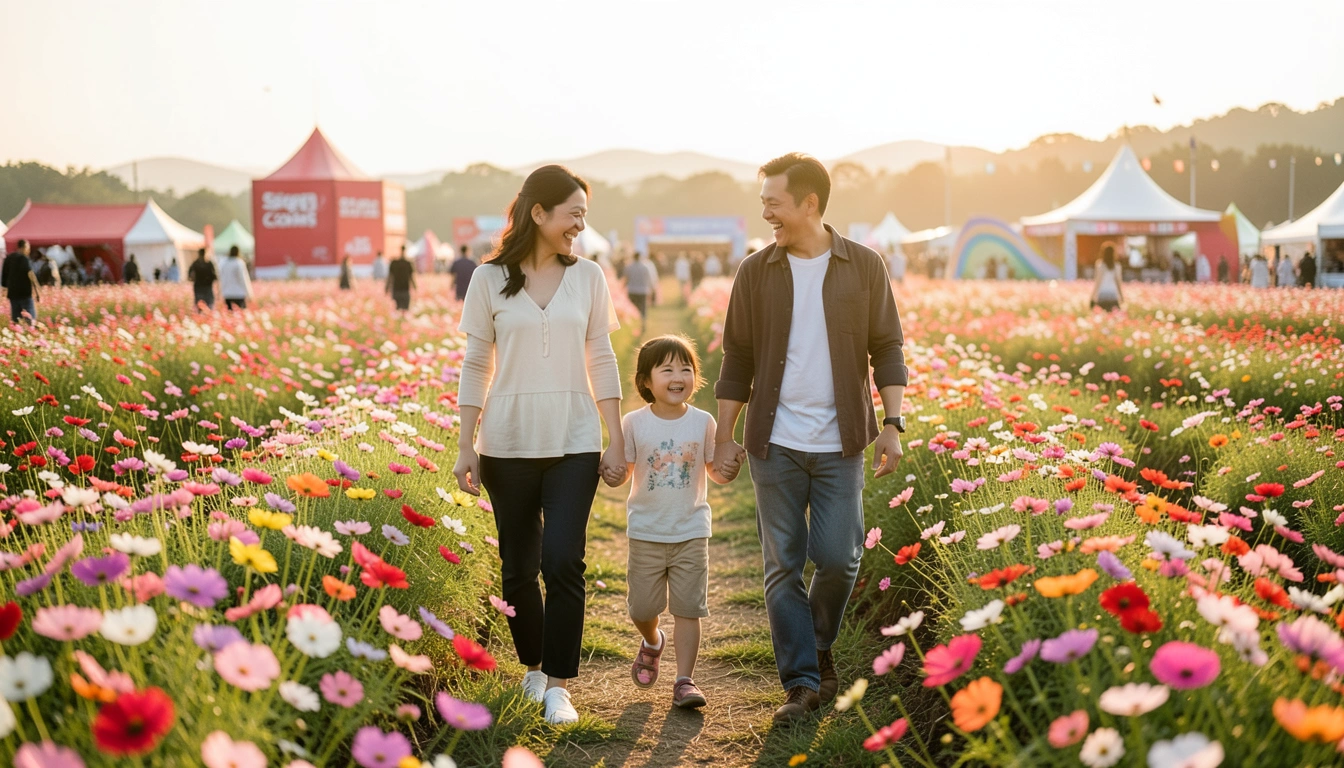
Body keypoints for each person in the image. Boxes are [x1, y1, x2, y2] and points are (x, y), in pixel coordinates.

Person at [713, 153, 908, 723]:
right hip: (773, 441)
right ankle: (801, 683)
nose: (766, 212)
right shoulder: (755, 271)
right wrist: (724, 436)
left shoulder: (864, 266)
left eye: (774, 202)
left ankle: (818, 645)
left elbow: (887, 348)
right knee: (782, 564)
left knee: (840, 557)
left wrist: (893, 424)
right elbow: (737, 358)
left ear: (810, 204)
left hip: (841, 440)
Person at [451, 165, 626, 726]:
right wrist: (466, 443)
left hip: (575, 439)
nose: (581, 223)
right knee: (519, 568)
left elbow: (601, 356)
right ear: (538, 213)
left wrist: (615, 438)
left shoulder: (590, 277)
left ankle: (558, 685)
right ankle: (532, 668)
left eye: (584, 214)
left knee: (563, 560)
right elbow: (477, 363)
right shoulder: (488, 280)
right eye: (573, 212)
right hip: (506, 442)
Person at [620, 335, 738, 710]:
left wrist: (728, 470)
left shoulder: (703, 422)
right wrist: (609, 472)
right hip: (646, 531)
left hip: (690, 530)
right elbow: (623, 471)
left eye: (686, 368)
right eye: (667, 368)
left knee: (689, 608)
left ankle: (684, 681)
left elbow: (714, 471)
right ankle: (653, 641)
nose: (678, 375)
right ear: (646, 381)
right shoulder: (634, 423)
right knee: (641, 608)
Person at [2, 239, 40, 325]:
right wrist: (37, 291)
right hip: (25, 294)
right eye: (28, 248)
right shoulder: (24, 258)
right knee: (30, 318)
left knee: (16, 320)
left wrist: (5, 289)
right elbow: (31, 275)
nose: (29, 250)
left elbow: (4, 275)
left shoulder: (9, 258)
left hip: (13, 294)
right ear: (24, 247)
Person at [623, 251, 655, 331]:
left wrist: (623, 287)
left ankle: (633, 326)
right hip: (643, 290)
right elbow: (649, 279)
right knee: (643, 308)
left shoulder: (629, 267)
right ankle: (643, 324)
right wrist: (651, 289)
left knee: (633, 309)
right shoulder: (645, 267)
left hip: (632, 290)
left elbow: (626, 278)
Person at [1090, 244, 1124, 311]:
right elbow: (1118, 283)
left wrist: (1093, 296)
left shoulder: (1100, 265)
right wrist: (1121, 296)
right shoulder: (1117, 266)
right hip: (1113, 295)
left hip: (1102, 295)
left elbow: (1098, 282)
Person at [220, 245, 254, 310]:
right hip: (239, 293)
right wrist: (249, 294)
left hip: (227, 293)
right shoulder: (239, 263)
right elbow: (243, 279)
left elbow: (222, 278)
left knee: (229, 316)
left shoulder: (223, 263)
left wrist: (221, 292)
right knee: (240, 315)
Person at [386, 246, 416, 311]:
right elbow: (411, 278)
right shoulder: (408, 264)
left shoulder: (394, 263)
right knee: (405, 311)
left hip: (396, 290)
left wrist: (386, 288)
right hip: (405, 291)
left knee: (397, 311)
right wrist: (415, 287)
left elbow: (390, 277)